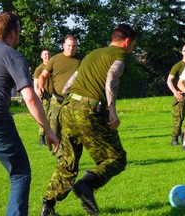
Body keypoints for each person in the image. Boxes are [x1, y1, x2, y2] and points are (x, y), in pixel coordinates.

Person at [40, 24, 137, 216]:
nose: (132, 48)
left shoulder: (93, 53)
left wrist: (70, 98)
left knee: (68, 162)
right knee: (116, 158)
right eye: (133, 45)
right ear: (127, 42)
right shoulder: (122, 55)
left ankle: (47, 206)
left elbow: (69, 83)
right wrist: (112, 109)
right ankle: (87, 184)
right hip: (89, 110)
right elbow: (112, 75)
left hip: (67, 109)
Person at [0, 12, 60, 216]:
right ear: (12, 33)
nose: (19, 36)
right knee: (20, 173)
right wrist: (48, 130)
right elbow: (29, 97)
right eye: (19, 31)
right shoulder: (13, 55)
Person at [37, 35, 83, 136]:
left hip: (75, 99)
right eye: (69, 46)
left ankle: (67, 149)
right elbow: (42, 76)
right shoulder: (55, 59)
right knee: (54, 126)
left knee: (73, 129)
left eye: (74, 46)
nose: (71, 48)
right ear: (63, 45)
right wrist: (40, 87)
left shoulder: (82, 59)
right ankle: (55, 144)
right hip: (57, 98)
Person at [167, 43, 185, 146]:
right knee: (179, 117)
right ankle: (174, 138)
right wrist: (175, 92)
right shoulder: (178, 65)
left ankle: (184, 134)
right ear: (182, 52)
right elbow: (169, 80)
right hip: (181, 95)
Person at [33, 48, 52, 146]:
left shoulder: (53, 66)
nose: (47, 56)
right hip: (44, 96)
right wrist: (38, 94)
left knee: (53, 117)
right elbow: (35, 83)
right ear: (41, 56)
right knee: (43, 117)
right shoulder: (39, 68)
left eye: (48, 54)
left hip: (54, 96)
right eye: (45, 54)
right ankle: (42, 138)